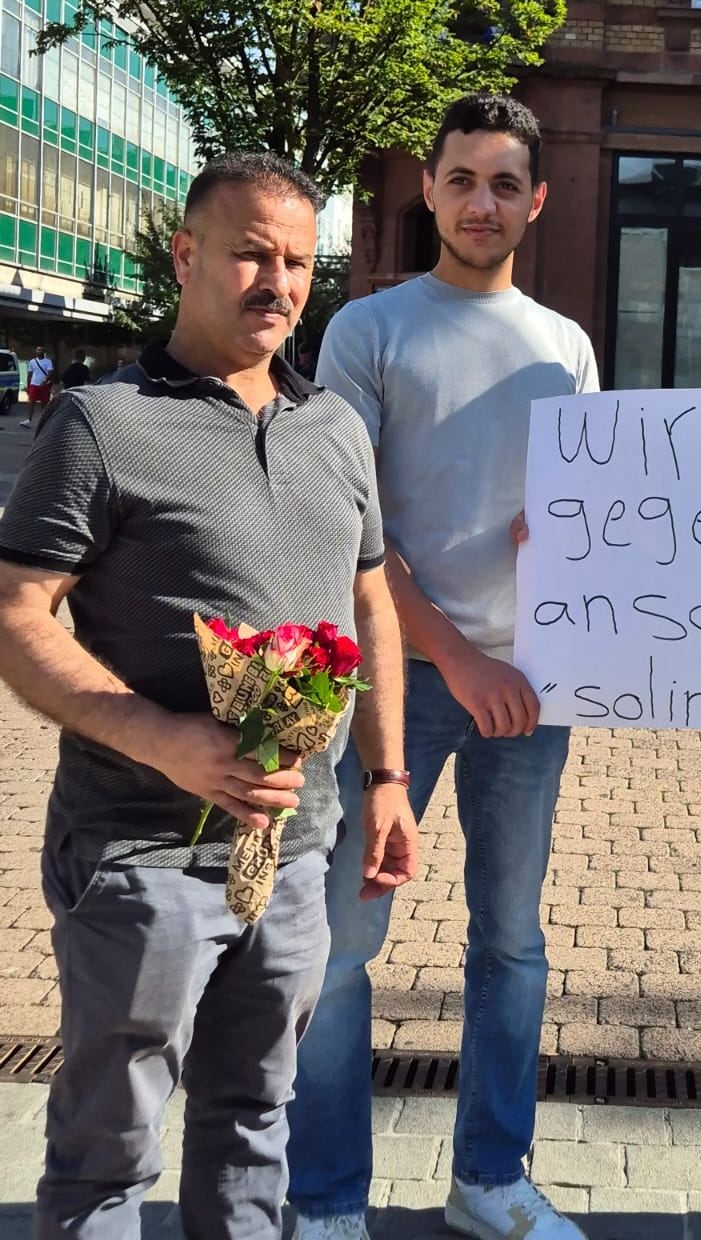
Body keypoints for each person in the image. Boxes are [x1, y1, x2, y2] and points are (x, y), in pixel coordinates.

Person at [0, 151, 419, 1239]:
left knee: (253, 1119)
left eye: (297, 262)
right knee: (109, 1153)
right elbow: (17, 614)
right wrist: (164, 738)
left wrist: (388, 775)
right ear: (187, 255)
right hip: (142, 853)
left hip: (295, 852)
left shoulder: (336, 429)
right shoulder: (102, 421)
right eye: (250, 254)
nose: (276, 282)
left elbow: (372, 607)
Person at [287, 94, 598, 1240]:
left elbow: (596, 518)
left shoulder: (566, 343)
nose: (482, 202)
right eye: (462, 178)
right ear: (428, 187)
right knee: (337, 945)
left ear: (537, 200)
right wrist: (457, 657)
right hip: (397, 691)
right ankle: (324, 1199)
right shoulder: (368, 331)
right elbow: (349, 533)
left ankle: (489, 1181)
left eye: (505, 182)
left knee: (512, 939)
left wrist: (572, 548)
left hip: (537, 685)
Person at [20, 344, 54, 427]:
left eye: (41, 350)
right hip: (33, 384)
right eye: (38, 350)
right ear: (36, 351)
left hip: (44, 385)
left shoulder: (48, 361)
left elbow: (50, 372)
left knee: (44, 403)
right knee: (31, 402)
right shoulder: (32, 361)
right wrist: (28, 386)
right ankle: (28, 419)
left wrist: (45, 380)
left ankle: (44, 421)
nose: (39, 351)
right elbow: (30, 374)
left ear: (44, 352)